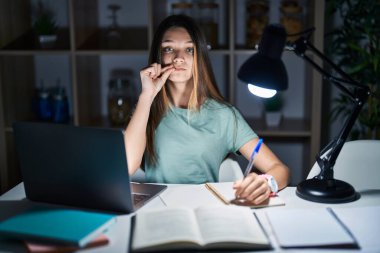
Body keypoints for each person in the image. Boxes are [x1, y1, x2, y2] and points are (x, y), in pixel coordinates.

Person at [125, 15, 289, 204]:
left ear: (199, 57)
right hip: (157, 210)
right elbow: (128, 166)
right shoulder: (146, 109)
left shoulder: (224, 116)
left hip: (206, 211)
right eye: (169, 49)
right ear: (158, 57)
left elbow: (280, 170)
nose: (178, 58)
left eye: (189, 49)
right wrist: (146, 96)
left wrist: (266, 183)